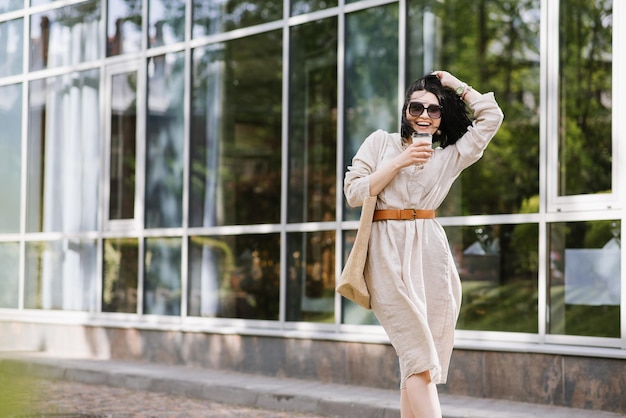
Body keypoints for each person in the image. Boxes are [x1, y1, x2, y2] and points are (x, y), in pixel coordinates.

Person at [343, 71, 504, 418]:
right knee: (417, 353)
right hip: (385, 254)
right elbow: (354, 193)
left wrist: (457, 85)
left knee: (418, 364)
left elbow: (492, 117)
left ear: (442, 116)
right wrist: (402, 160)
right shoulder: (380, 143)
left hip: (430, 256)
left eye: (434, 109)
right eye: (416, 107)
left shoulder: (449, 156)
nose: (424, 115)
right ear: (405, 110)